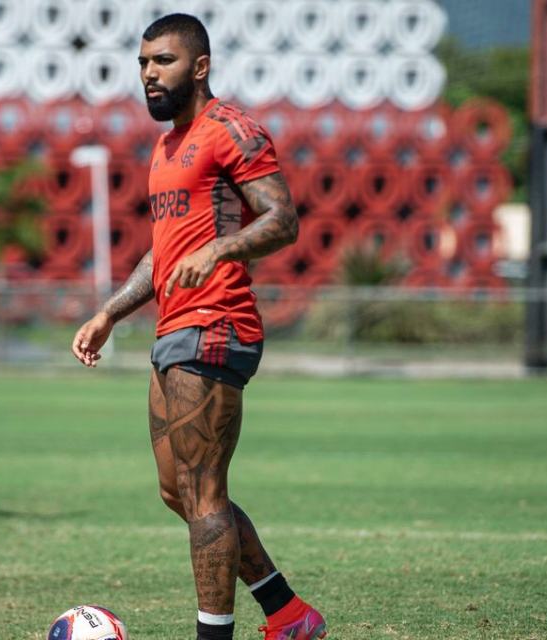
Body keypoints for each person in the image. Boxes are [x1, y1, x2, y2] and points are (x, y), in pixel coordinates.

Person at [71, 14, 327, 640]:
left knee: (205, 491)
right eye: (142, 63)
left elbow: (283, 219)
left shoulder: (230, 129)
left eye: (162, 61)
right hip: (172, 328)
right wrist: (110, 312)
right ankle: (290, 615)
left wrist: (221, 250)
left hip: (217, 324)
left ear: (200, 66)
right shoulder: (164, 149)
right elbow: (162, 252)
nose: (149, 74)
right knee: (178, 491)